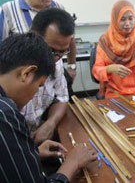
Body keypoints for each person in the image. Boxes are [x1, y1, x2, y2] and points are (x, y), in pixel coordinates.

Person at [0, 33, 97, 183]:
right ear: (27, 74)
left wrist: (33, 154)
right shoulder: (5, 114)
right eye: (39, 85)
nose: (35, 95)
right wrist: (72, 163)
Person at [0, 0, 77, 94]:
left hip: (54, 80)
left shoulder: (58, 8)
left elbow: (70, 39)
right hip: (24, 83)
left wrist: (71, 66)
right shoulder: (8, 10)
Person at [22, 8, 73, 145]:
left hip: (39, 136)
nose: (56, 58)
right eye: (51, 50)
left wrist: (50, 123)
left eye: (62, 52)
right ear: (33, 36)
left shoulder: (56, 62)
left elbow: (62, 98)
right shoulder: (15, 67)